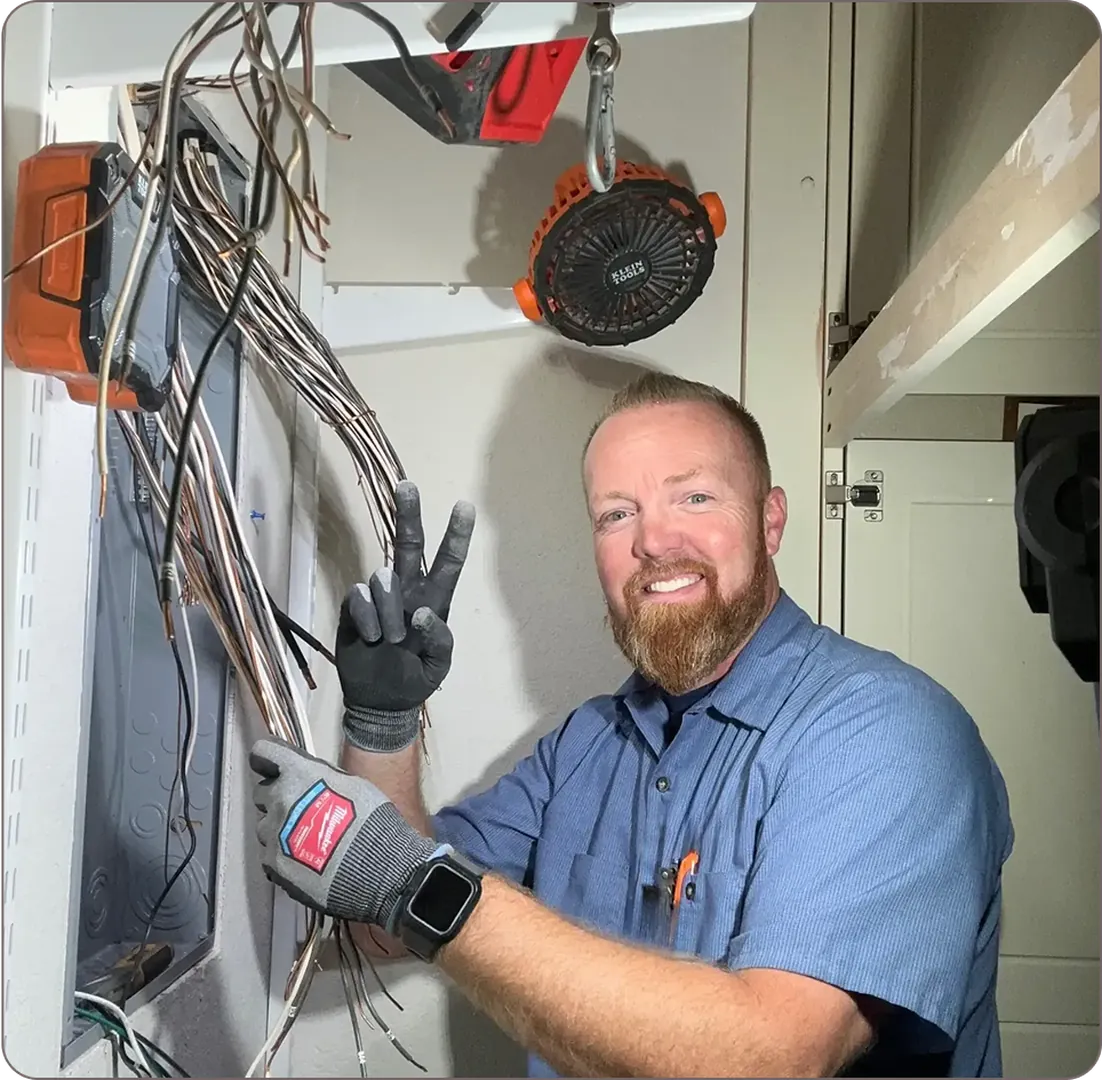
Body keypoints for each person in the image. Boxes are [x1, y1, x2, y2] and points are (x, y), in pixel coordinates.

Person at [250, 372, 1014, 1079]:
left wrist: (413, 884)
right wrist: (383, 729)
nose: (653, 541)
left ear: (770, 521)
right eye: (618, 514)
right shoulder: (585, 748)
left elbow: (778, 1054)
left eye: (695, 498)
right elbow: (385, 922)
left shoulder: (885, 732)